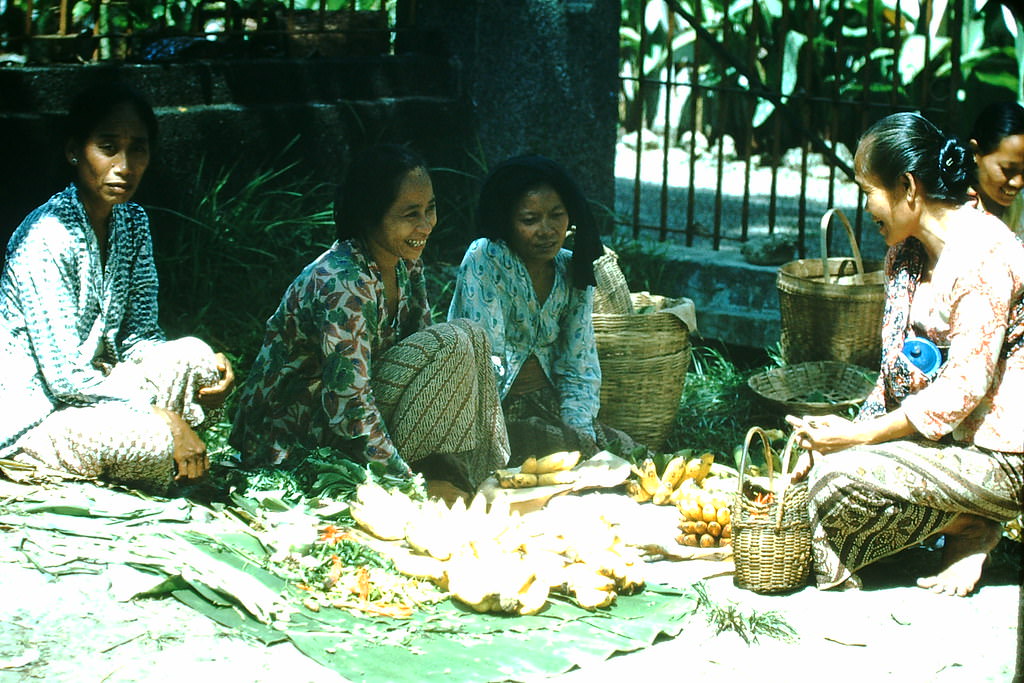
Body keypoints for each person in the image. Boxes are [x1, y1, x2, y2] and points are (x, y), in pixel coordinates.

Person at [787, 112, 1024, 597]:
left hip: (1002, 458)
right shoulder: (907, 254)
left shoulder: (985, 257)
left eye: (867, 189)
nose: (865, 206)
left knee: (835, 486)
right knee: (812, 479)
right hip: (944, 448)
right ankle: (959, 523)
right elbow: (894, 371)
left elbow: (964, 387)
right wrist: (849, 433)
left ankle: (970, 523)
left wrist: (860, 438)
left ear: (908, 188)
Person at [229, 144, 509, 493]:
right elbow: (347, 404)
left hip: (356, 411)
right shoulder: (343, 283)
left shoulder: (406, 259)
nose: (426, 225)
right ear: (370, 215)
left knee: (471, 335)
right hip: (297, 435)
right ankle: (424, 477)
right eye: (411, 214)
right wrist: (405, 484)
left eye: (431, 208)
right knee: (453, 340)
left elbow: (423, 356)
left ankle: (484, 474)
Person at [0, 81, 235, 494]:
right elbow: (64, 380)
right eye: (108, 147)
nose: (125, 165)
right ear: (75, 151)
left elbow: (141, 338)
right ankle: (162, 457)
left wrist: (207, 371)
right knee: (154, 441)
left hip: (99, 391)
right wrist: (165, 416)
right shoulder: (46, 235)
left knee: (196, 357)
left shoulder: (133, 222)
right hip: (37, 414)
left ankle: (165, 461)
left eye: (138, 149)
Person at [448, 155, 648, 464]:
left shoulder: (572, 268)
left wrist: (579, 429)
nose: (547, 230)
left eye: (557, 215)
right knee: (562, 456)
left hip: (551, 405)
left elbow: (578, 362)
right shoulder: (486, 258)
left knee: (631, 456)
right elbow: (485, 359)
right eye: (529, 220)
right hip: (495, 411)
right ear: (506, 221)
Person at [969, 101, 1024, 235]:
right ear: (975, 152)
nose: (1018, 182)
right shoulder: (951, 212)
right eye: (1007, 169)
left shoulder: (1020, 205)